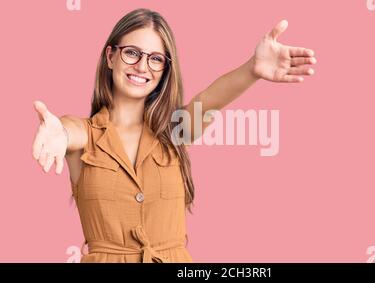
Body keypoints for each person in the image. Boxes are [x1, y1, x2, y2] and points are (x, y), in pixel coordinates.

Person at [31, 8, 317, 263]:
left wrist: (252, 70)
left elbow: (211, 100)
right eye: (132, 52)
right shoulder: (87, 135)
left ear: (165, 69)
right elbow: (70, 131)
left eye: (156, 59)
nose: (142, 66)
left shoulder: (174, 133)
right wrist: (58, 132)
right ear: (110, 56)